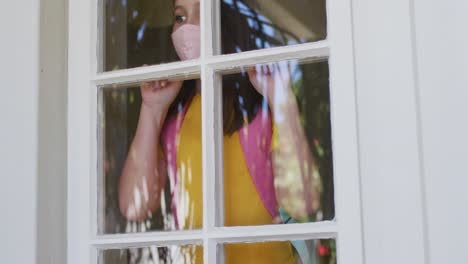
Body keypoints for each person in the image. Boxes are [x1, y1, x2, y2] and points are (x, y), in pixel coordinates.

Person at [118, 0, 321, 263]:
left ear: (225, 22)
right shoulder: (173, 118)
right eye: (180, 17)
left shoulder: (262, 108)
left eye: (202, 14)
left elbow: (302, 202)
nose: (186, 27)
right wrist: (151, 109)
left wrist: (282, 101)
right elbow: (134, 207)